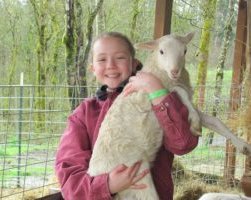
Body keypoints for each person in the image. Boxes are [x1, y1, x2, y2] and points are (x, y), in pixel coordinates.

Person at [55, 32, 199, 200]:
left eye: (120, 58)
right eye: (102, 60)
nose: (111, 65)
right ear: (92, 68)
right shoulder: (83, 114)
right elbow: (69, 172)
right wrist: (107, 185)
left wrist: (156, 91)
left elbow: (183, 144)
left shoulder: (158, 98)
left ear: (134, 63)